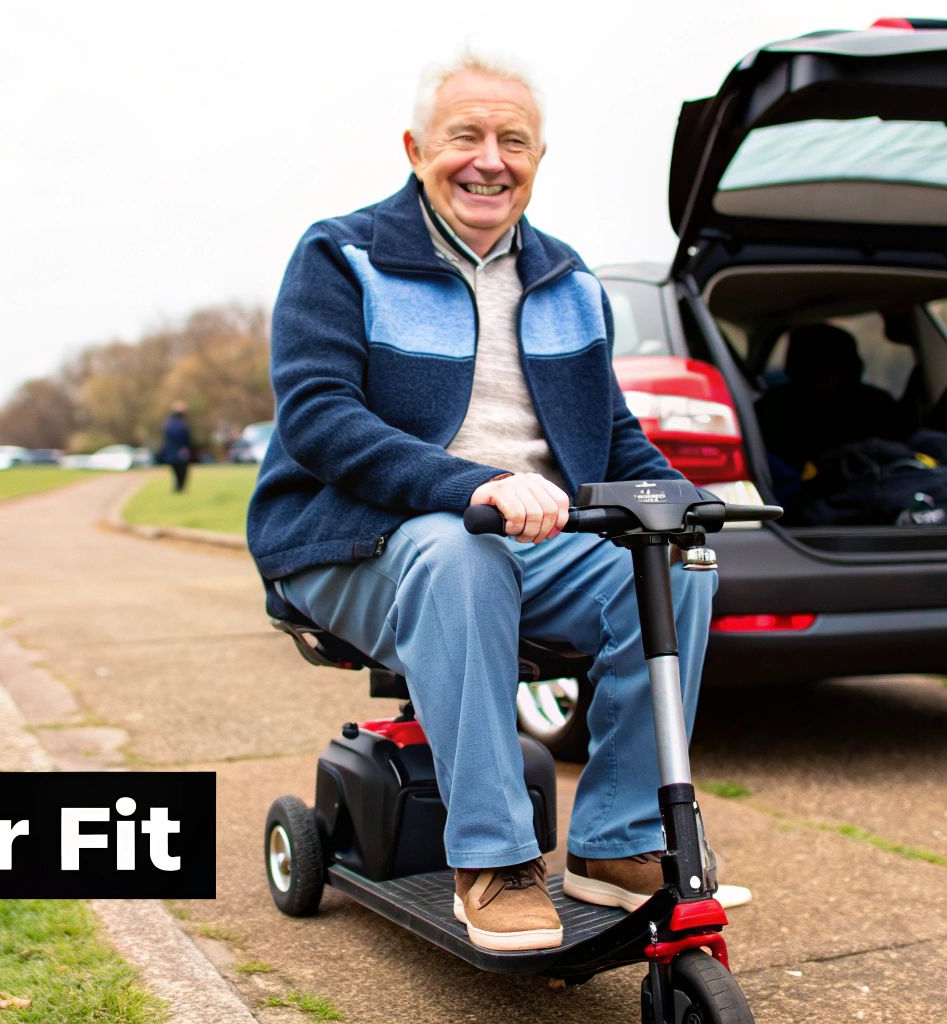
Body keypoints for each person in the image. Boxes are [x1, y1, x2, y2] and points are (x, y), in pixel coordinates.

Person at [247, 51, 746, 953]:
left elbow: (613, 437)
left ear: (539, 157)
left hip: (519, 536)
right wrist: (469, 483)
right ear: (415, 148)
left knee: (674, 563)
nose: (490, 159)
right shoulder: (342, 254)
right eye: (464, 136)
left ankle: (619, 840)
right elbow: (320, 421)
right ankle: (493, 859)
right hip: (351, 540)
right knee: (457, 548)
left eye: (512, 140)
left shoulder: (565, 278)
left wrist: (688, 496)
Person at [755, 322, 913, 476]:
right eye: (813, 369)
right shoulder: (774, 411)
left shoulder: (876, 405)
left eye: (829, 368)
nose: (822, 379)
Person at [159, 401, 194, 493]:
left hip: (170, 452)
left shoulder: (168, 424)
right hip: (181, 452)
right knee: (182, 472)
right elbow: (187, 439)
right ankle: (180, 489)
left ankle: (177, 488)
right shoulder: (182, 425)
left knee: (175, 472)